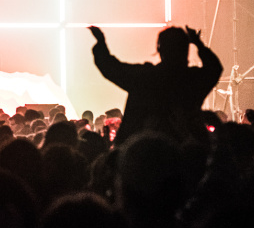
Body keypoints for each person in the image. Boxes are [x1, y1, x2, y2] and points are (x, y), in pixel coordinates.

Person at [89, 25, 222, 145]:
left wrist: (101, 42)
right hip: (184, 149)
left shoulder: (146, 77)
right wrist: (198, 44)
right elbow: (215, 68)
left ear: (160, 49)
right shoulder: (193, 80)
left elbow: (111, 67)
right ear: (186, 50)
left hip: (142, 149)